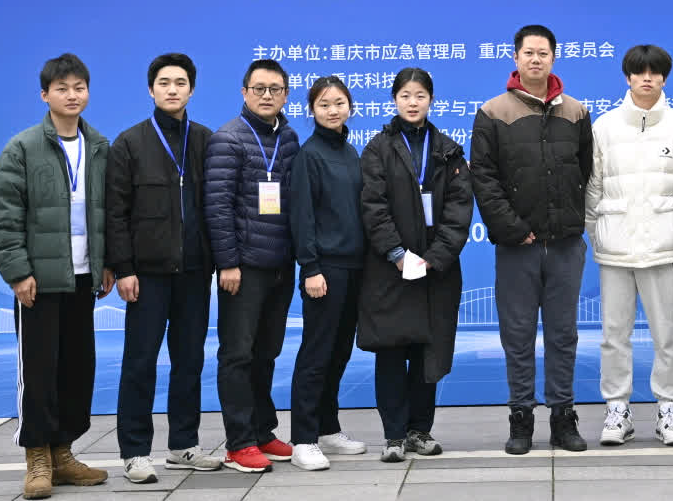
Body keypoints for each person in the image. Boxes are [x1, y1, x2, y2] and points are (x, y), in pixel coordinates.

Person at [0, 53, 114, 500]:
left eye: (79, 87)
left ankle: (63, 454)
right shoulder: (22, 148)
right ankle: (37, 458)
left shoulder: (99, 147)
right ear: (45, 95)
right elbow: (4, 216)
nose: (72, 95)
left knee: (77, 369)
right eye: (62, 88)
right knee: (39, 371)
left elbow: (110, 212)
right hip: (39, 281)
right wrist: (18, 272)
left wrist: (107, 263)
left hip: (83, 278)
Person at [469, 24, 593, 454]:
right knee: (518, 335)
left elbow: (585, 171)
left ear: (554, 58)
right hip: (516, 247)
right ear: (516, 58)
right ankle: (521, 417)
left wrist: (570, 221)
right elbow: (483, 179)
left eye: (543, 53)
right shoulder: (493, 112)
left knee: (563, 335)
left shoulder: (576, 112)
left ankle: (563, 417)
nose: (536, 59)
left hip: (565, 245)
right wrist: (514, 229)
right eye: (528, 53)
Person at [107, 53, 224, 484]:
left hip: (194, 273)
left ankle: (183, 445)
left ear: (192, 89)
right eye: (163, 82)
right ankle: (135, 452)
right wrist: (123, 268)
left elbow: (217, 206)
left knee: (189, 361)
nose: (172, 89)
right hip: (147, 276)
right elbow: (115, 213)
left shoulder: (207, 141)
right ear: (151, 89)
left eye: (180, 82)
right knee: (140, 362)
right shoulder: (130, 143)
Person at [358, 68, 474, 462]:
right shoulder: (378, 149)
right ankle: (393, 436)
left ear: (431, 100)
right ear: (394, 99)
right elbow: (373, 207)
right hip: (389, 270)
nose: (412, 102)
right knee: (391, 353)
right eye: (405, 95)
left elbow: (460, 211)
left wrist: (434, 258)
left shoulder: (449, 150)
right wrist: (397, 254)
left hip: (435, 273)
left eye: (420, 95)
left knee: (429, 353)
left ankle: (418, 431)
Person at [586, 44, 673, 447]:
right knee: (614, 335)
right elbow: (593, 187)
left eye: (654, 72)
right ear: (628, 77)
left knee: (667, 334)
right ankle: (617, 409)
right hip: (615, 250)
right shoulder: (604, 127)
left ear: (664, 78)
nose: (646, 79)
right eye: (639, 72)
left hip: (665, 247)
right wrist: (597, 234)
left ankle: (669, 409)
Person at [203, 59, 301, 473]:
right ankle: (239, 442)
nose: (266, 95)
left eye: (275, 89)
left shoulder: (289, 138)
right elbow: (217, 206)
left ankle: (263, 431)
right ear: (244, 92)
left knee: (266, 353)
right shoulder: (228, 138)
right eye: (259, 88)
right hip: (243, 268)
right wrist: (228, 263)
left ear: (286, 95)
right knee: (238, 354)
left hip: (280, 265)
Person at [287, 76, 369, 470]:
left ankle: (327, 428)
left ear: (349, 106)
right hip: (325, 270)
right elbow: (302, 217)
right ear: (312, 110)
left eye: (339, 103)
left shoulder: (351, 152)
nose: (333, 110)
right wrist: (310, 268)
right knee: (316, 354)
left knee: (339, 352)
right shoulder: (310, 155)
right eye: (324, 104)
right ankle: (303, 438)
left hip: (354, 267)